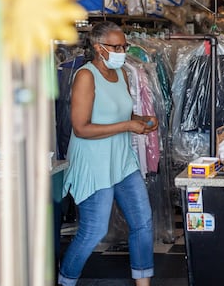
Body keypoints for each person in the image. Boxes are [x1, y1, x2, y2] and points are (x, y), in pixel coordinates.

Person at [58, 21, 157, 286]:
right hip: (94, 163)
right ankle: (66, 280)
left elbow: (121, 114)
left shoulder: (123, 73)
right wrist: (127, 125)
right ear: (98, 47)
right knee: (93, 230)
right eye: (116, 46)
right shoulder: (85, 76)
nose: (122, 51)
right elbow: (81, 128)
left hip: (122, 160)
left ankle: (143, 284)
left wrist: (142, 119)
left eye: (124, 45)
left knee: (143, 223)